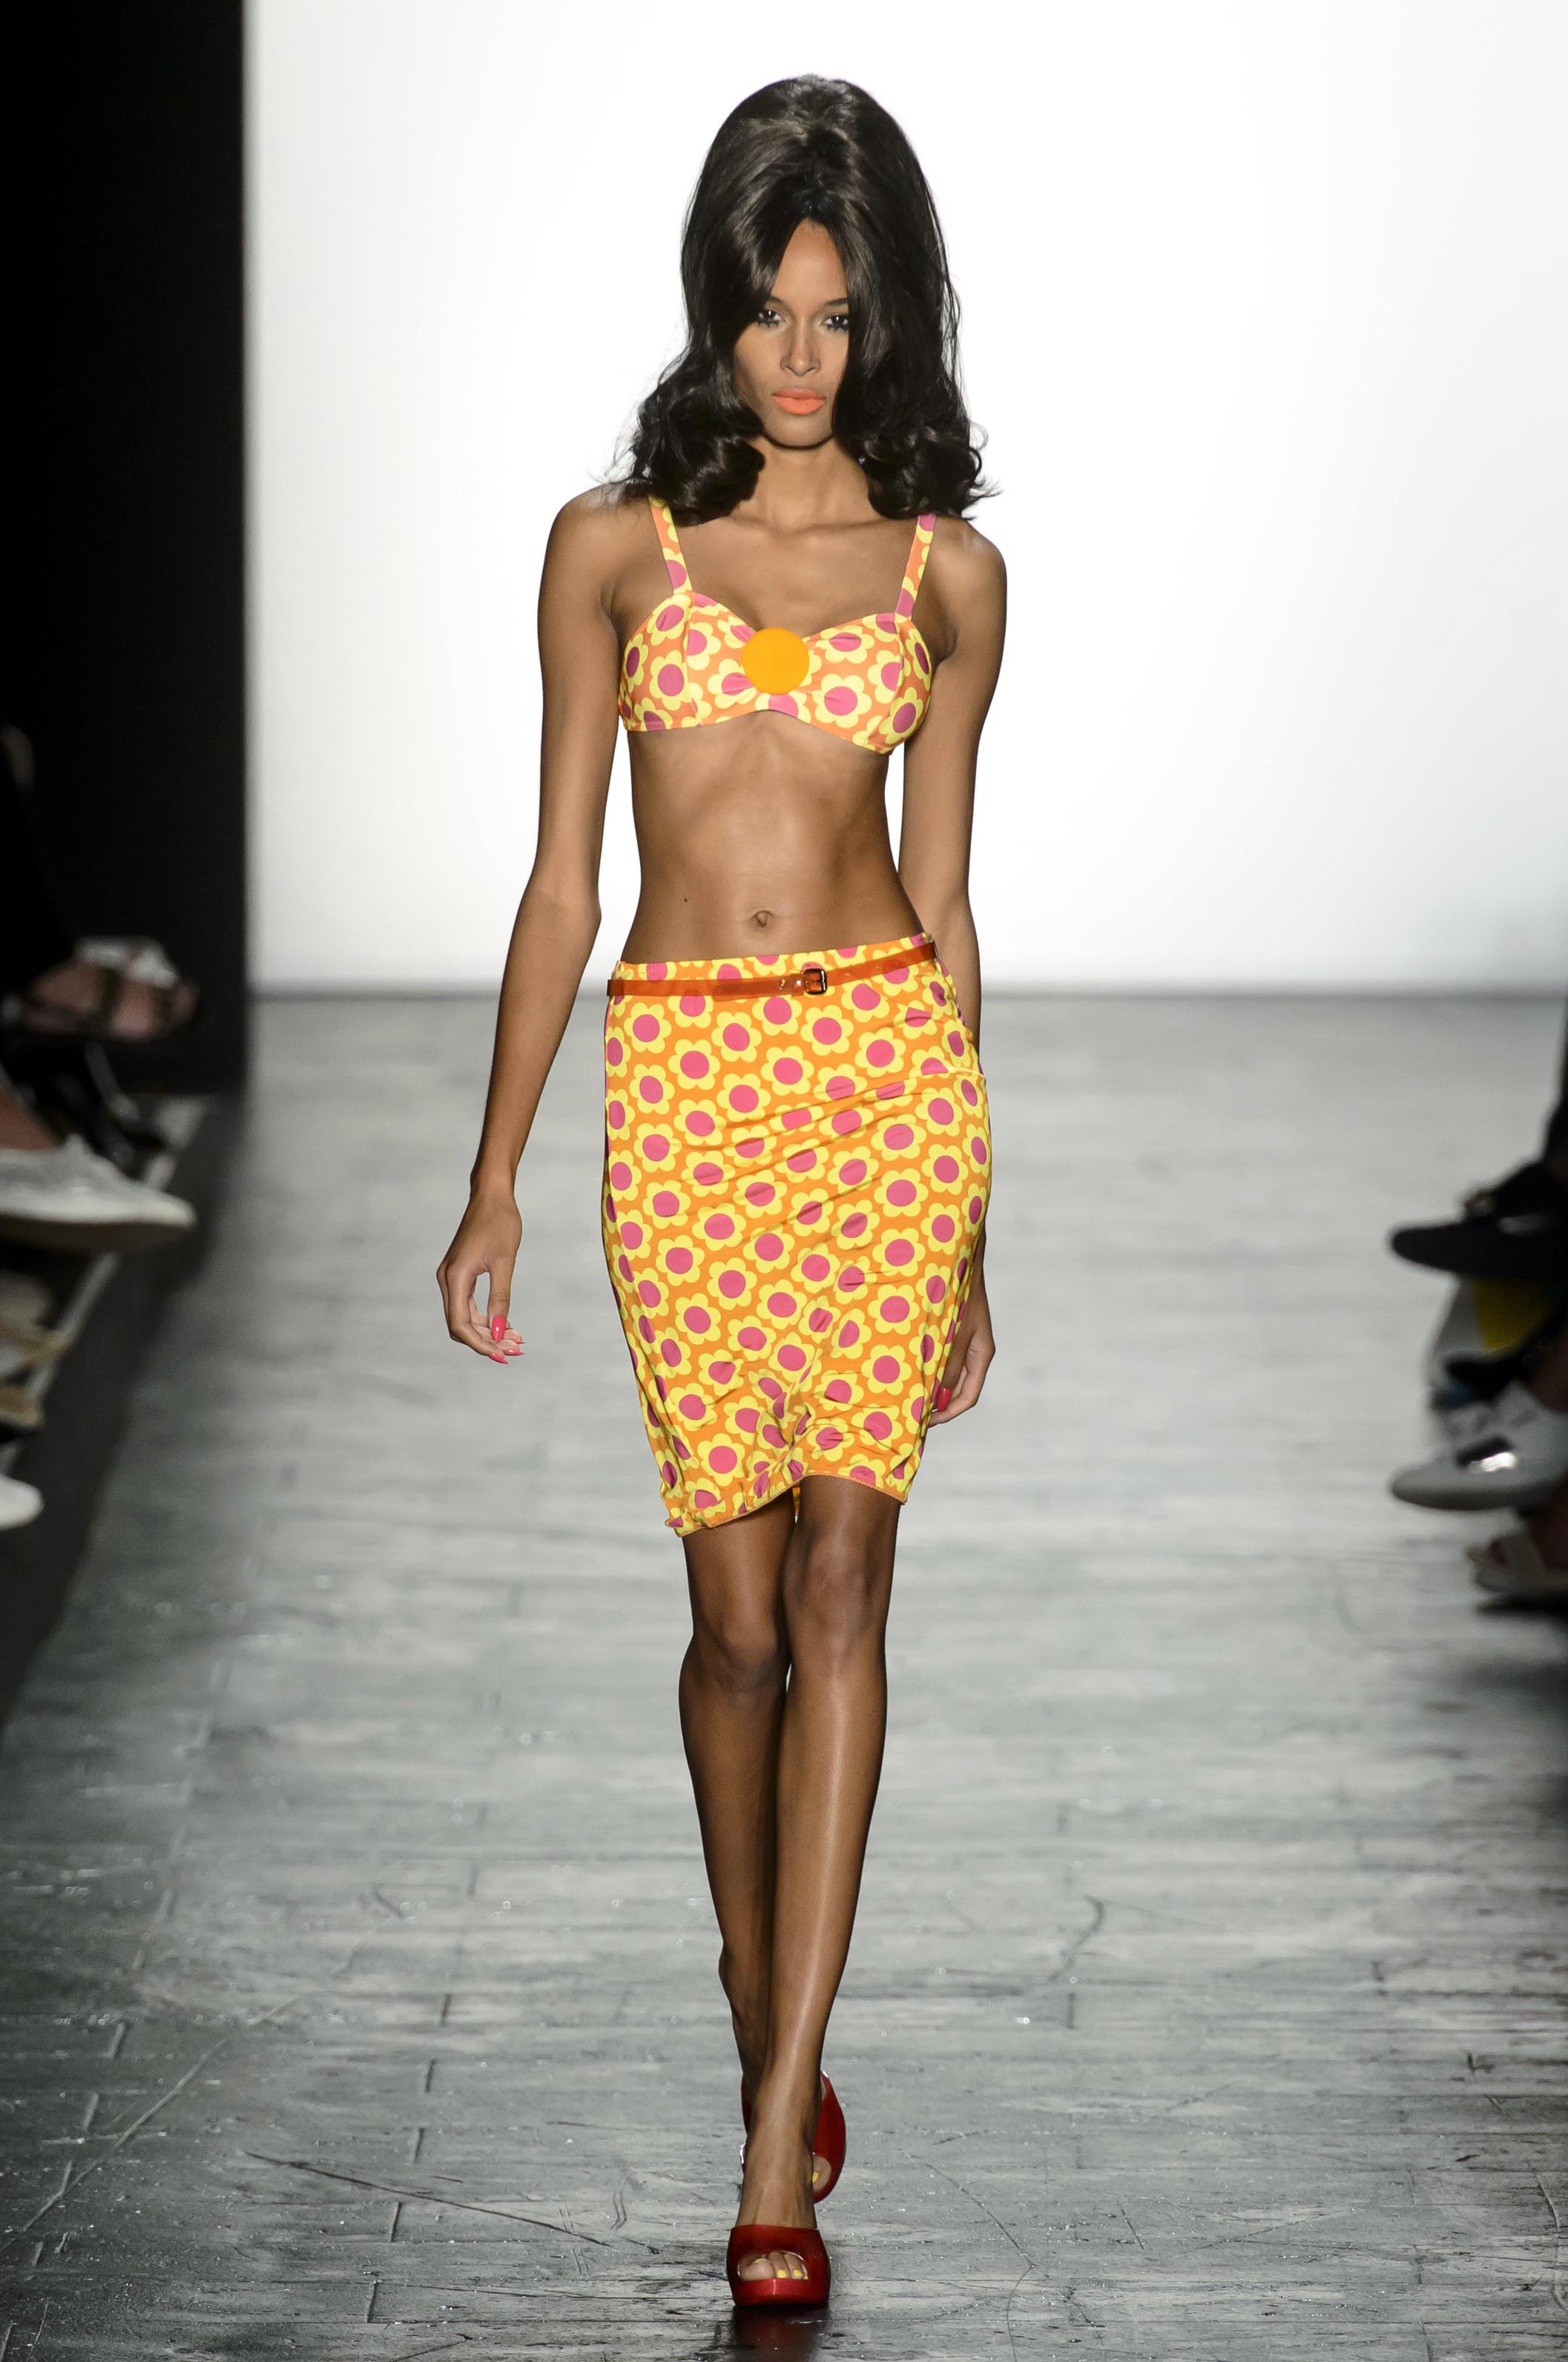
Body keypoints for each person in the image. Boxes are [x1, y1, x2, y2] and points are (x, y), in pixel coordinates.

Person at [437, 78, 1003, 2309]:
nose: (799, 357)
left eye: (838, 318)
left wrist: (974, 1234)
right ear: (718, 300)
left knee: (848, 1586)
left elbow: (946, 910)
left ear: (889, 319)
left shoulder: (949, 578)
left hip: (880, 1087)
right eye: (771, 311)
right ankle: (762, 1994)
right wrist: (491, 1175)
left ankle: (776, 2135)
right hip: (683, 1095)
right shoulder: (614, 547)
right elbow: (563, 885)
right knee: (736, 1628)